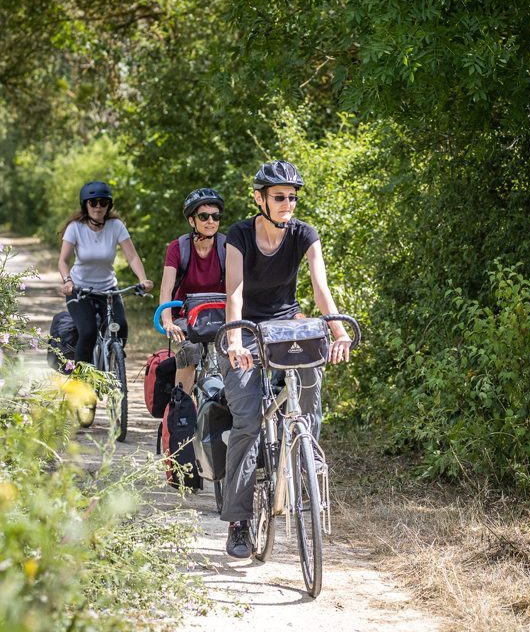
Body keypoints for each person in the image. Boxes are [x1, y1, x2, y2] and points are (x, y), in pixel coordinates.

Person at [221, 160, 353, 558]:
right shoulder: (239, 235)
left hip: (285, 328)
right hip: (247, 329)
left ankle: (305, 462)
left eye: (292, 197)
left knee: (310, 388)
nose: (287, 203)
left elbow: (320, 287)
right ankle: (239, 522)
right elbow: (234, 294)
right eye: (279, 197)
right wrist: (234, 340)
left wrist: (339, 331)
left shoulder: (304, 234)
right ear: (259, 198)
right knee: (246, 420)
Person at [57, 181, 154, 364]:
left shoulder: (116, 226)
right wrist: (67, 281)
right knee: (88, 332)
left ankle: (111, 364)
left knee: (121, 329)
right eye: (93, 202)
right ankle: (81, 384)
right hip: (80, 290)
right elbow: (63, 260)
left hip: (109, 289)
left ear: (109, 205)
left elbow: (132, 257)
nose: (98, 207)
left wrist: (143, 280)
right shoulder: (75, 228)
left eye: (103, 202)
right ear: (85, 205)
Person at [159, 188, 226, 393]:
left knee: (238, 353)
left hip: (221, 315)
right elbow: (166, 288)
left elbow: (238, 286)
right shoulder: (178, 248)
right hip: (186, 316)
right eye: (204, 216)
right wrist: (168, 320)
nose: (210, 221)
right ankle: (182, 408)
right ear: (191, 221)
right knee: (191, 349)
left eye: (216, 216)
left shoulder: (227, 246)